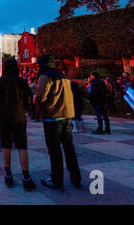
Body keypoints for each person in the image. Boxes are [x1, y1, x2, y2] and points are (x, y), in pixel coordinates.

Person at [35, 54, 82, 190]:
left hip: (53, 117)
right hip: (67, 116)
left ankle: (57, 179)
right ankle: (76, 177)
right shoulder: (63, 76)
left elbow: (41, 97)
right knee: (69, 148)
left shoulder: (45, 76)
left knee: (54, 150)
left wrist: (35, 98)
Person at [0, 58, 36, 190]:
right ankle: (26, 177)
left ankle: (8, 174)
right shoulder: (22, 82)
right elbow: (28, 101)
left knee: (6, 146)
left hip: (4, 118)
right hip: (19, 117)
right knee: (22, 146)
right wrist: (23, 109)